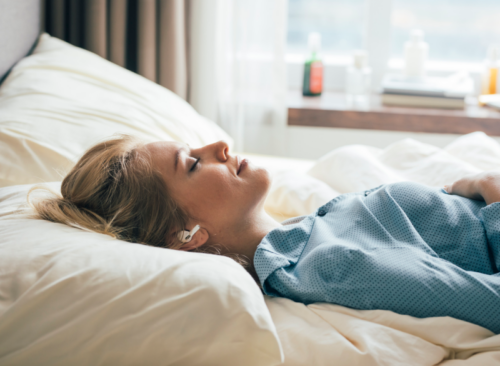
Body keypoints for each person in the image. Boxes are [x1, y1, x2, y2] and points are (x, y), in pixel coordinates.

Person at [29, 135, 500, 334]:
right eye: (192, 164)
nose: (217, 146)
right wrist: (491, 196)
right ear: (185, 234)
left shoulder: (300, 235)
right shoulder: (332, 268)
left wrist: (463, 187)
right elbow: (485, 301)